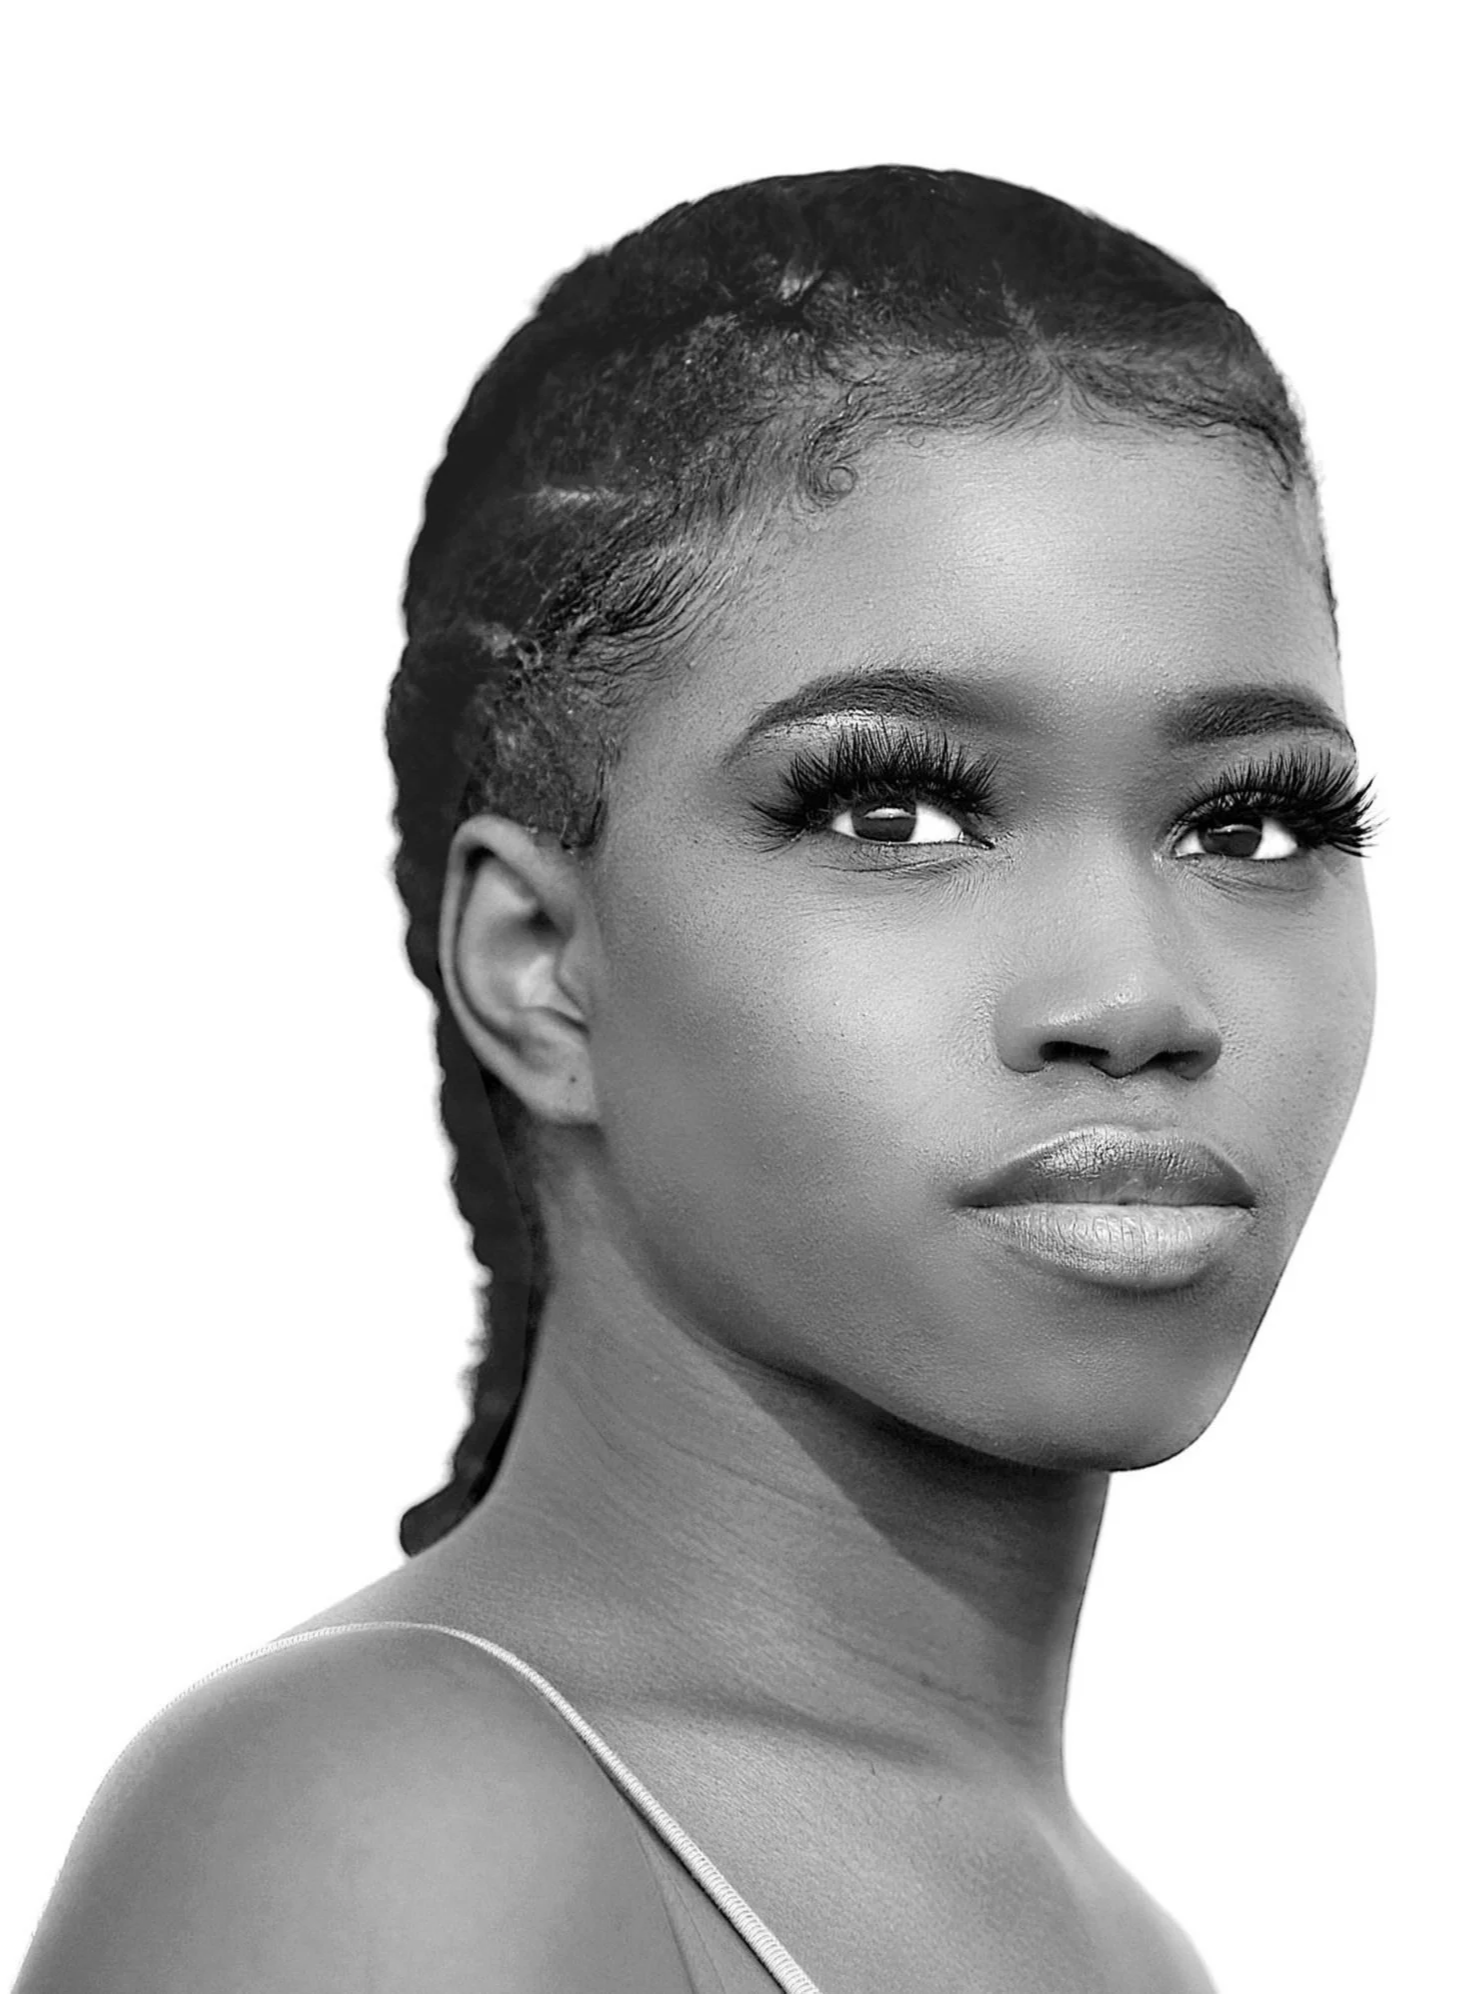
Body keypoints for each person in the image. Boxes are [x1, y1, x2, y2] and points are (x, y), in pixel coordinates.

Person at [17, 165, 1377, 1993]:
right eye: (890, 807)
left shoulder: (1125, 1938)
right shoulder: (397, 1832)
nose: (1135, 994)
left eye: (1252, 821)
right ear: (534, 964)